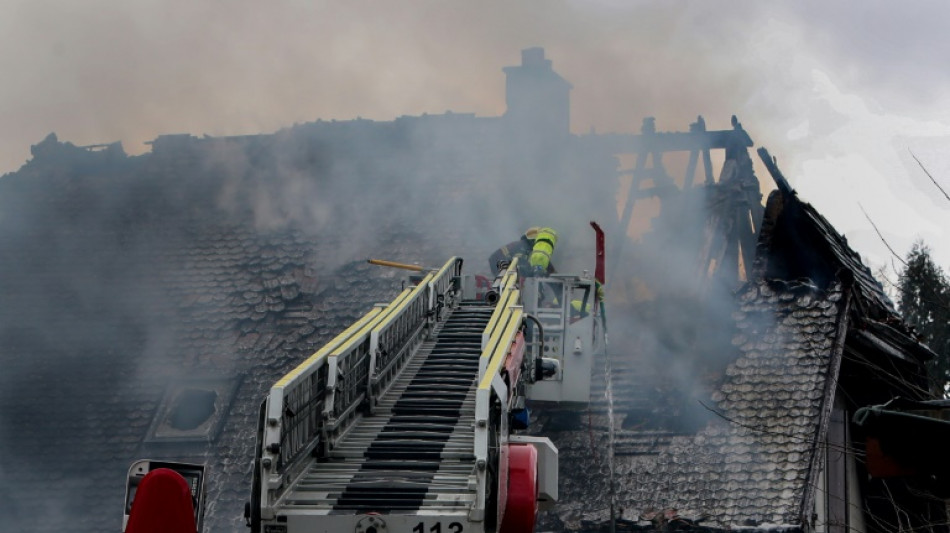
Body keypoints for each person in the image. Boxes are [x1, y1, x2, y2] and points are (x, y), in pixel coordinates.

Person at [489, 227, 558, 277]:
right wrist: (501, 275)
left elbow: (547, 267)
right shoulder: (516, 245)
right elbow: (493, 258)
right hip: (511, 279)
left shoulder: (536, 254)